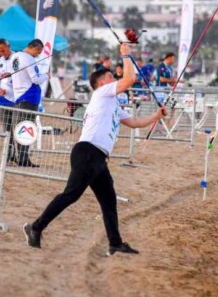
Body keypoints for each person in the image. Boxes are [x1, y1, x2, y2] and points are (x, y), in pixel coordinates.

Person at [23, 42, 167, 256]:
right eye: (110, 77)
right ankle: (35, 227)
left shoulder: (113, 105)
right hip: (87, 152)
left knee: (109, 201)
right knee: (71, 195)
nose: (114, 80)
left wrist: (156, 116)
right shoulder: (102, 94)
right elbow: (129, 80)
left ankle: (115, 243)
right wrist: (127, 55)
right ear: (101, 83)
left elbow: (135, 123)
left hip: (98, 158)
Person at [9, 39, 49, 167]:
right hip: (29, 97)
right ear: (36, 48)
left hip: (18, 96)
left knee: (21, 127)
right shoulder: (29, 59)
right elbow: (36, 79)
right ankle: (23, 159)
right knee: (27, 129)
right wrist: (46, 75)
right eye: (39, 52)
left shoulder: (14, 57)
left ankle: (20, 157)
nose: (38, 55)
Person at [0, 38, 16, 143]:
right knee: (6, 129)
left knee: (17, 128)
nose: (1, 53)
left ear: (9, 47)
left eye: (3, 50)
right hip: (3, 100)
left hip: (17, 99)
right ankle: (9, 154)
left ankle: (20, 155)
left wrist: (10, 74)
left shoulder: (17, 59)